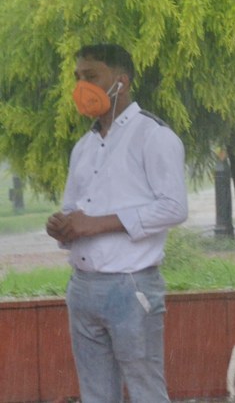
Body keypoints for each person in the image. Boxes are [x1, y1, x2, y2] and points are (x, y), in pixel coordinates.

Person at [46, 43, 188, 403]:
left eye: (91, 77)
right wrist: (63, 227)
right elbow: (74, 211)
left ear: (120, 82)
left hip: (131, 287)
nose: (81, 86)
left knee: (145, 391)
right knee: (95, 394)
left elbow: (174, 208)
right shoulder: (85, 146)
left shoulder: (153, 136)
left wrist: (97, 224)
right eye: (78, 78)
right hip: (83, 287)